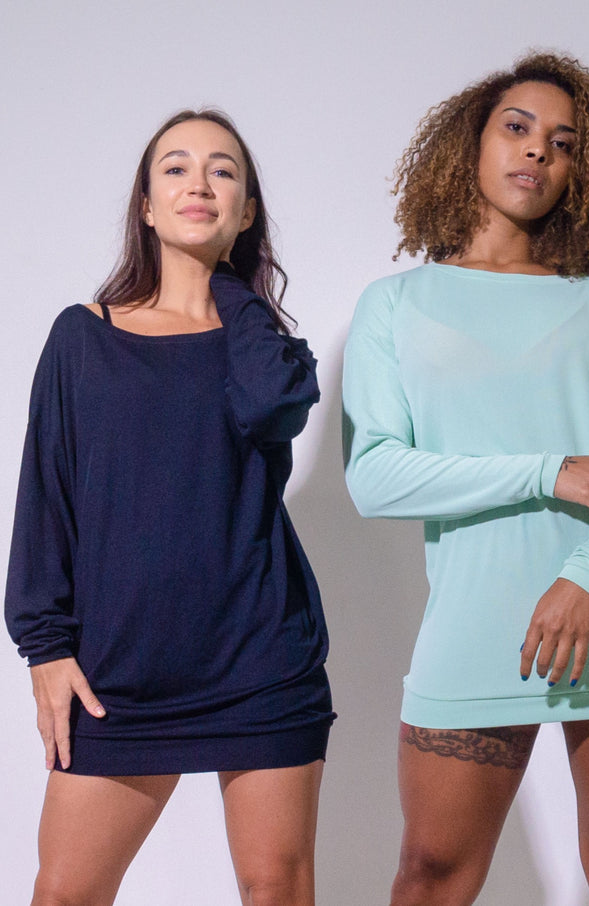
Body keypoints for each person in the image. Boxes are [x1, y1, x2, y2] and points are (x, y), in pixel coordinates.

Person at [342, 52, 589, 905]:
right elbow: (376, 476)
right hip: (477, 621)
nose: (538, 149)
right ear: (470, 143)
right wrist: (551, 472)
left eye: (564, 142)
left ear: (582, 172)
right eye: (517, 127)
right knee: (431, 872)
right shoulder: (394, 305)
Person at [5, 108, 334, 906]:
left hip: (261, 661)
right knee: (66, 893)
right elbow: (46, 494)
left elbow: (268, 407)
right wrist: (45, 646)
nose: (200, 183)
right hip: (122, 671)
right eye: (176, 168)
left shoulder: (266, 350)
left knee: (275, 889)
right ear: (147, 206)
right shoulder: (84, 338)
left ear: (245, 211)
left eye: (223, 171)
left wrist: (230, 284)